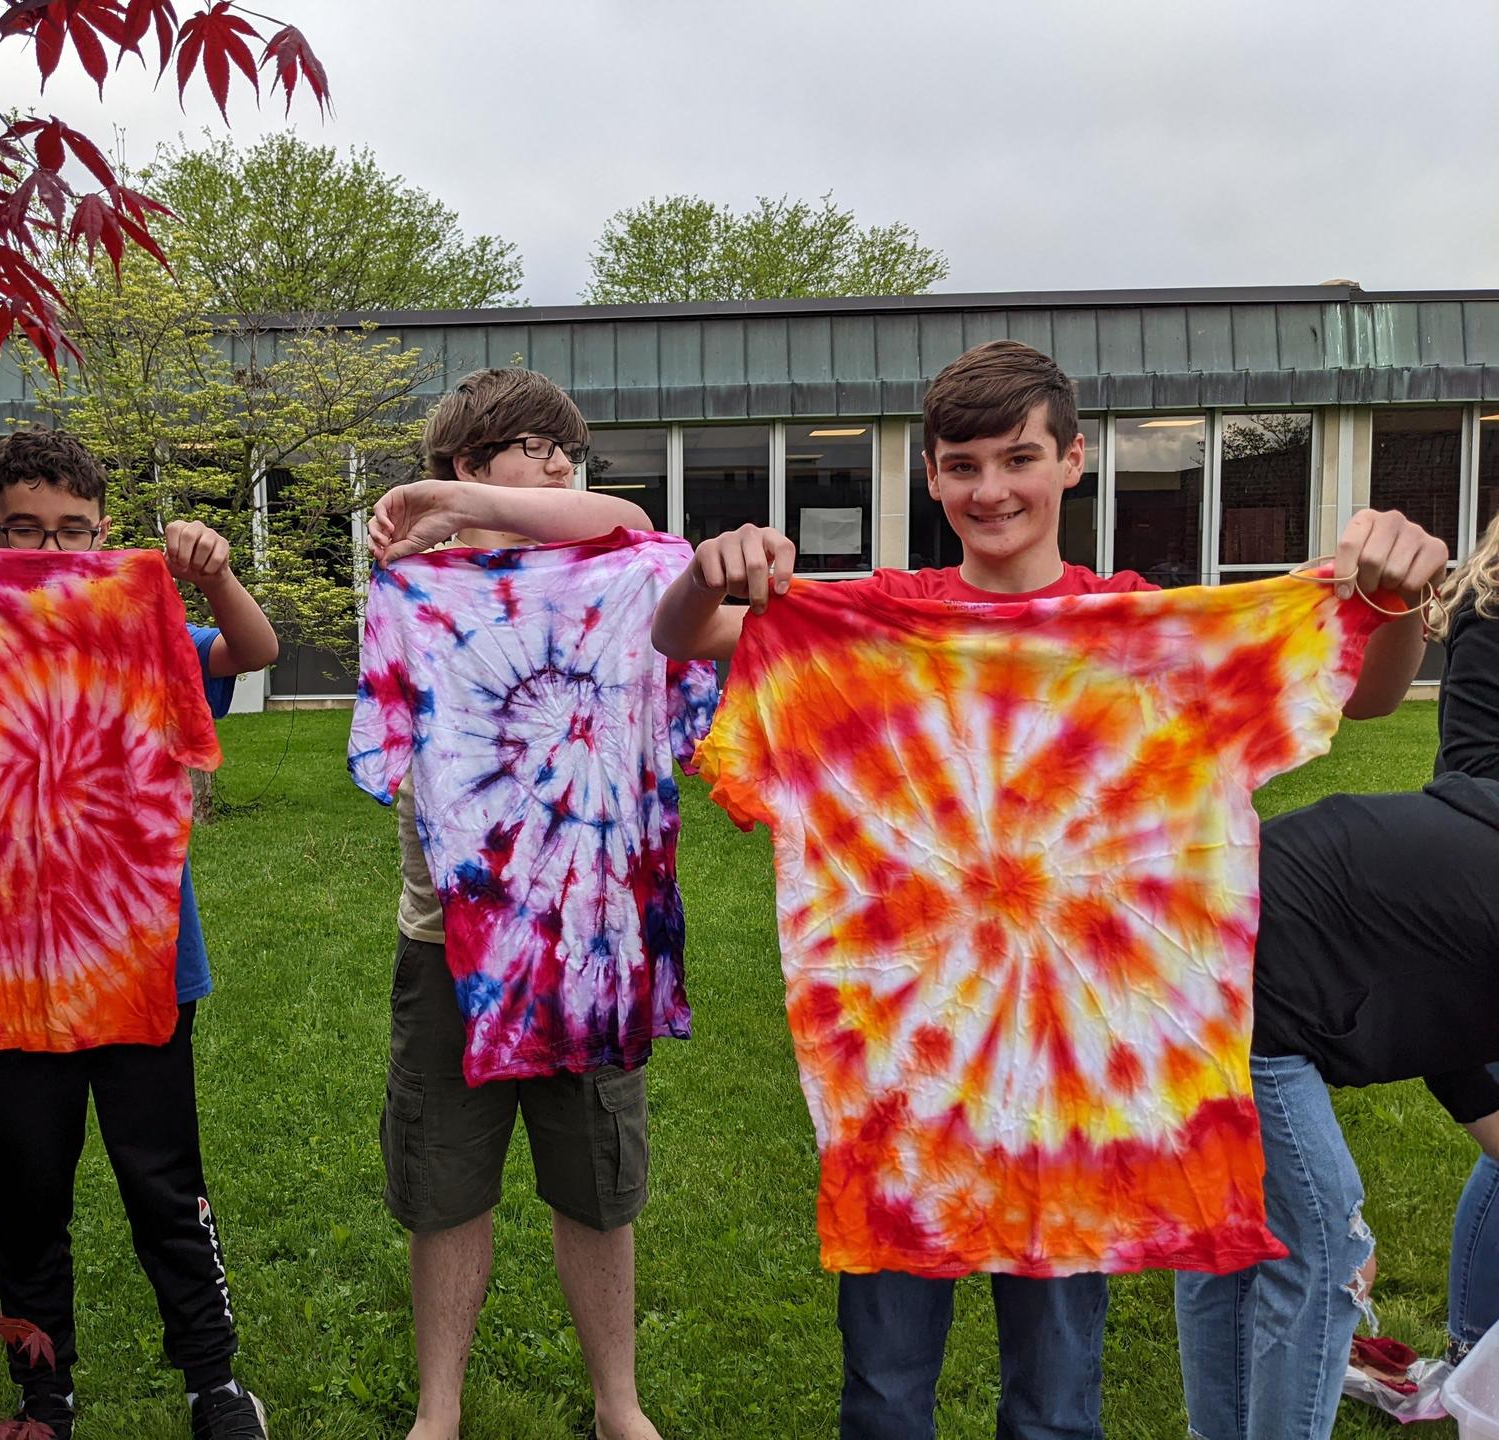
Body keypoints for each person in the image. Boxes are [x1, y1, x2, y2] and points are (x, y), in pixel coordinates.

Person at [650, 339, 1448, 1440]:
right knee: (883, 1400)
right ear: (930, 476)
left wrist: (1398, 601)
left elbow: (1365, 698)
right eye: (964, 465)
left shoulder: (1142, 640)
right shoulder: (877, 628)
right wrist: (706, 574)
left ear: (1073, 461)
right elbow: (685, 637)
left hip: (1081, 1100)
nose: (991, 489)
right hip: (905, 1095)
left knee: (1058, 1407)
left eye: (1018, 458)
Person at [0, 428, 280, 1440]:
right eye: (24, 530)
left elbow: (250, 650)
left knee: (166, 1189)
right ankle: (44, 1393)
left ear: (105, 532)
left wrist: (214, 575)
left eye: (73, 530)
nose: (50, 547)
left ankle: (213, 1383)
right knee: (29, 1200)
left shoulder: (135, 620)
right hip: (5, 977)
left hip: (143, 967)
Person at [359, 367, 672, 1440]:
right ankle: (437, 1411)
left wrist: (486, 499)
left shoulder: (608, 567)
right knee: (446, 1189)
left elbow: (629, 518)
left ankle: (617, 1403)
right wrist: (443, 517)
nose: (556, 466)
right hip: (451, 949)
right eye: (531, 447)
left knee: (598, 1183)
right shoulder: (424, 576)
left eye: (563, 452)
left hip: (590, 938)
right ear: (463, 461)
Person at [1174, 508, 1499, 1438]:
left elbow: (1450, 1023)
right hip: (1246, 968)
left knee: (1232, 1231)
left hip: (1237, 932)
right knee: (1316, 1244)